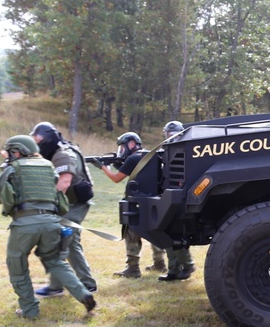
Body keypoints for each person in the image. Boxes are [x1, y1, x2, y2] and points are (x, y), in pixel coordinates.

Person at [0, 135, 96, 319]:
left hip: (24, 224)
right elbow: (58, 193)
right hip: (51, 222)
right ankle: (83, 294)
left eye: (10, 152)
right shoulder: (49, 167)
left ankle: (29, 310)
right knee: (55, 261)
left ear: (17, 151)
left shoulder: (12, 169)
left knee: (17, 265)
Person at [29, 122, 98, 297]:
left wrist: (49, 205)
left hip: (74, 204)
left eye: (38, 141)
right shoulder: (58, 152)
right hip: (70, 202)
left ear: (48, 139)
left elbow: (64, 182)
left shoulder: (63, 155)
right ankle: (83, 284)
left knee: (61, 240)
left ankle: (62, 286)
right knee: (69, 242)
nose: (37, 145)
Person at [96, 132, 152, 279]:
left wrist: (102, 167)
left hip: (136, 200)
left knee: (131, 232)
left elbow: (116, 178)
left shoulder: (133, 158)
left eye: (123, 146)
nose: (122, 150)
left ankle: (132, 268)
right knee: (154, 231)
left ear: (132, 144)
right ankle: (159, 263)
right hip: (152, 199)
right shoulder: (147, 155)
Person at [156, 120, 196, 281]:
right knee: (166, 234)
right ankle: (173, 269)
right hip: (167, 196)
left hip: (181, 198)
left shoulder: (188, 150)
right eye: (168, 134)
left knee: (177, 235)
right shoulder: (165, 151)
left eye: (174, 134)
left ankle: (187, 265)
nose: (170, 137)